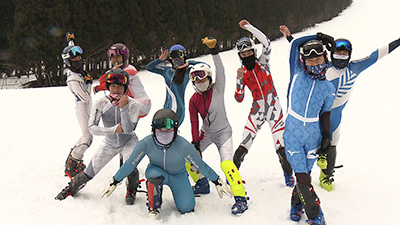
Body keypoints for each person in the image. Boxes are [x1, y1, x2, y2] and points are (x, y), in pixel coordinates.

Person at [280, 25, 400, 191]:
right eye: (337, 53)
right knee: (310, 147)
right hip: (315, 115)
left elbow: (376, 55)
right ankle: (302, 178)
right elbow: (304, 54)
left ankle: (326, 176)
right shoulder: (322, 67)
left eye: (344, 54)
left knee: (331, 145)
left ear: (350, 55)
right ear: (330, 54)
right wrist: (289, 38)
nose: (341, 57)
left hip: (334, 115)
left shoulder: (355, 68)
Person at [100, 109, 232, 217]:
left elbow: (200, 165)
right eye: (159, 126)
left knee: (187, 207)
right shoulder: (146, 143)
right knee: (154, 178)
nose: (164, 130)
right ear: (153, 128)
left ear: (175, 129)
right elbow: (130, 164)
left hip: (178, 176)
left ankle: (174, 194)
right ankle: (154, 205)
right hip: (156, 171)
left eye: (168, 126)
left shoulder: (184, 146)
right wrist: (114, 180)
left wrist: (217, 180)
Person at [55, 68, 141, 205]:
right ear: (108, 87)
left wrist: (124, 109)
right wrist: (113, 130)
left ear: (125, 87)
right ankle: (71, 188)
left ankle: (131, 189)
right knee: (90, 171)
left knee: (130, 164)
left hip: (128, 141)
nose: (116, 89)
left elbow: (129, 129)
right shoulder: (101, 103)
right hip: (110, 143)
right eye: (112, 86)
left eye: (119, 86)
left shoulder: (134, 104)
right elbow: (92, 128)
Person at [187, 37, 248, 215]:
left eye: (202, 78)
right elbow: (193, 121)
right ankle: (202, 184)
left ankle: (241, 198)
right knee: (188, 158)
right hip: (206, 134)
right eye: (195, 80)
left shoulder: (217, 88)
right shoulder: (193, 99)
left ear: (209, 78)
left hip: (223, 134)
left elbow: (220, 70)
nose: (199, 82)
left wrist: (214, 51)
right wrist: (196, 143)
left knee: (227, 164)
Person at [232, 19, 294, 187]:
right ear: (240, 56)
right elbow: (238, 98)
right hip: (257, 109)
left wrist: (249, 27)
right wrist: (238, 80)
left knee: (280, 146)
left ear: (253, 51)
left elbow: (266, 43)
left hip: (274, 106)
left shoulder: (263, 63)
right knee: (244, 143)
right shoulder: (243, 72)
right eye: (243, 54)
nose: (247, 56)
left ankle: (288, 175)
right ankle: (233, 177)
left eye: (249, 52)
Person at [284, 35, 335, 224]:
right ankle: (315, 215)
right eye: (310, 60)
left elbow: (325, 115)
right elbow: (296, 44)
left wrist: (327, 137)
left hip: (313, 135)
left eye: (318, 59)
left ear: (325, 59)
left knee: (305, 174)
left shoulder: (328, 88)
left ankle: (296, 205)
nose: (314, 63)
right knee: (302, 176)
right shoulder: (296, 72)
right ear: (303, 61)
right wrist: (318, 37)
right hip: (293, 133)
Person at [61, 33, 94, 179]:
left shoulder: (77, 71)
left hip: (87, 106)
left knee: (87, 136)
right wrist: (88, 82)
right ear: (68, 61)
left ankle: (74, 158)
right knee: (87, 137)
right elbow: (85, 97)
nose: (78, 60)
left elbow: (71, 48)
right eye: (74, 58)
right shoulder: (73, 79)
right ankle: (73, 162)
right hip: (82, 107)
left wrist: (70, 40)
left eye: (79, 57)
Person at [145, 44, 201, 126]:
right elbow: (149, 67)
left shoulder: (188, 72)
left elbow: (206, 67)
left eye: (179, 56)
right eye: (174, 57)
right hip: (165, 109)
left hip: (178, 110)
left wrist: (189, 63)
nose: (177, 59)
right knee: (161, 134)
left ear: (184, 56)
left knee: (171, 133)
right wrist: (160, 60)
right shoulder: (166, 71)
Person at [93, 43, 151, 118]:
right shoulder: (114, 71)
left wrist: (97, 88)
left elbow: (106, 83)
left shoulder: (130, 70)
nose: (115, 60)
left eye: (118, 57)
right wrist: (113, 70)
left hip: (142, 103)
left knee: (117, 103)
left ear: (124, 57)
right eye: (112, 57)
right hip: (130, 103)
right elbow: (102, 80)